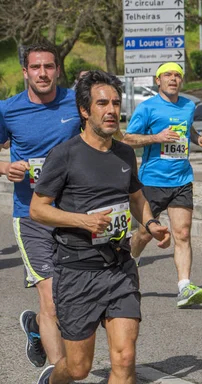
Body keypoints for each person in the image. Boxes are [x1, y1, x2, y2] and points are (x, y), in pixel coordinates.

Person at [29, 70, 171, 384]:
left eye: (116, 103)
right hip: (78, 270)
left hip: (119, 267)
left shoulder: (124, 153)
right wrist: (83, 221)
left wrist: (150, 223)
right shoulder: (65, 155)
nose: (111, 110)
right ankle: (51, 378)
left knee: (124, 359)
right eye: (102, 103)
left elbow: (136, 197)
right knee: (78, 368)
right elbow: (38, 209)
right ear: (84, 110)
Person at [0, 42, 81, 374]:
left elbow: (104, 141)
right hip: (30, 214)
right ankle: (58, 372)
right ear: (25, 72)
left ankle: (34, 325)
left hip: (74, 213)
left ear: (58, 70)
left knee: (71, 298)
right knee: (52, 299)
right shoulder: (8, 110)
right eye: (36, 67)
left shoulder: (77, 104)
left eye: (49, 67)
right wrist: (5, 168)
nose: (43, 73)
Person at [122, 62, 202, 308]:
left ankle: (184, 286)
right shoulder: (147, 108)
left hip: (182, 179)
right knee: (144, 233)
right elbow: (127, 138)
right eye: (168, 75)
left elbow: (187, 128)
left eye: (177, 75)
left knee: (182, 233)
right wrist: (156, 137)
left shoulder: (188, 105)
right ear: (158, 80)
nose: (173, 79)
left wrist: (198, 138)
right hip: (153, 180)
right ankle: (130, 258)